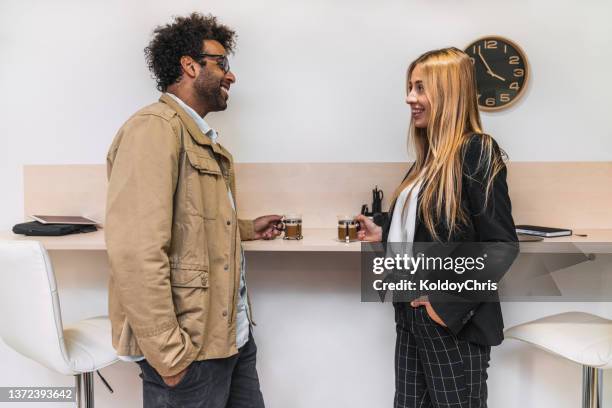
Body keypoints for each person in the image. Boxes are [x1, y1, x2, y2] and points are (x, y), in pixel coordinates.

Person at [105, 13, 280, 408]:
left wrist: (248, 228)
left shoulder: (197, 137)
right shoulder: (154, 129)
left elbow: (191, 224)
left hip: (229, 337)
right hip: (191, 350)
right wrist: (169, 356)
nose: (230, 76)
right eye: (221, 64)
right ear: (189, 65)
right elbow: (135, 250)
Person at [357, 47, 518, 408]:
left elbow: (501, 245)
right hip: (411, 315)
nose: (409, 98)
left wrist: (442, 304)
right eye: (410, 87)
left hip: (449, 322)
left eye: (419, 88)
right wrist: (384, 231)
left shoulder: (477, 150)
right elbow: (432, 228)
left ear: (448, 94)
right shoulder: (429, 160)